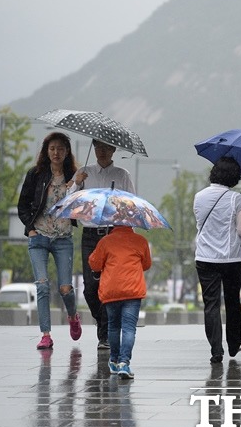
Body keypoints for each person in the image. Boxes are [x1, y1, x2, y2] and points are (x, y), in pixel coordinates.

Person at [67, 139, 135, 351]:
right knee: (90, 287)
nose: (102, 151)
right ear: (94, 149)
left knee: (109, 284)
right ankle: (102, 320)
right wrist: (77, 182)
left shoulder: (122, 175)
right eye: (98, 147)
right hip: (90, 235)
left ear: (114, 149)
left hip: (113, 234)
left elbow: (131, 204)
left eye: (106, 147)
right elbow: (69, 203)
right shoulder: (84, 172)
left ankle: (104, 334)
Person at [17, 132, 83, 350]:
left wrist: (78, 186)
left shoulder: (74, 176)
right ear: (46, 151)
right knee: (43, 286)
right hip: (39, 237)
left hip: (63, 238)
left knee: (65, 288)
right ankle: (46, 334)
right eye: (53, 148)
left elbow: (82, 207)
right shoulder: (36, 174)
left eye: (61, 149)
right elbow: (23, 205)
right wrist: (30, 229)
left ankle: (73, 316)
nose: (56, 153)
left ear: (67, 152)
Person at [193, 156, 241, 363]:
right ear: (234, 177)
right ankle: (233, 344)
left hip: (205, 257)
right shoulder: (237, 199)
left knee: (211, 304)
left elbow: (200, 222)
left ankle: (216, 350)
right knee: (233, 301)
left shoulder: (199, 196)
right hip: (232, 258)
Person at [88, 225, 151, 379]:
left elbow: (94, 264)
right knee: (129, 329)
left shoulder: (105, 241)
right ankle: (124, 363)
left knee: (113, 327)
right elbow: (147, 264)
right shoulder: (140, 241)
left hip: (112, 291)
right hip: (132, 291)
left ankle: (114, 361)